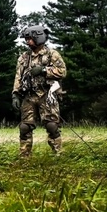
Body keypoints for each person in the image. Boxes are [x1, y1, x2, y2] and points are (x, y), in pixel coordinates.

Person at [12, 25, 68, 156]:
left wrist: (44, 71)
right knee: (25, 127)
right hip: (29, 96)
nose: (27, 42)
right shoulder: (23, 57)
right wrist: (15, 94)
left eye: (30, 39)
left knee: (52, 126)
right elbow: (18, 76)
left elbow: (62, 72)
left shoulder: (52, 54)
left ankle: (58, 153)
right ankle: (24, 156)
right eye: (26, 39)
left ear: (38, 37)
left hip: (47, 95)